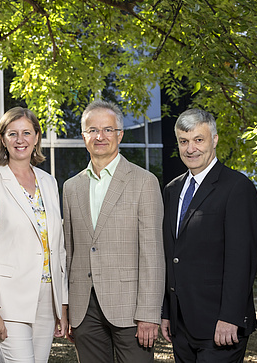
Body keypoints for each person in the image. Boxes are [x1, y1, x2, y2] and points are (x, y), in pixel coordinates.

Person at [62, 100, 165, 363]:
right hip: (85, 308)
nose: (100, 136)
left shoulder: (144, 182)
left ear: (120, 134)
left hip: (131, 309)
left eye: (108, 130)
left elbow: (153, 253)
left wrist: (149, 314)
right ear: (83, 136)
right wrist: (69, 310)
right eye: (92, 130)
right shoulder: (72, 187)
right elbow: (70, 252)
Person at [160, 108, 257, 362]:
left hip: (220, 325)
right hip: (181, 324)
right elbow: (170, 255)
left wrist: (231, 317)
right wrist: (167, 312)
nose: (190, 148)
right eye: (184, 141)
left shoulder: (237, 187)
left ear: (214, 140)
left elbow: (242, 259)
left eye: (198, 140)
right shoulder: (172, 190)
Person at [0, 107, 68, 362]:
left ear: (36, 137)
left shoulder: (49, 182)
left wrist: (62, 305)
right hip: (7, 303)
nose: (20, 139)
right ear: (2, 139)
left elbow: (57, 248)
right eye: (12, 133)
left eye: (26, 132)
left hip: (47, 300)